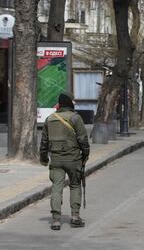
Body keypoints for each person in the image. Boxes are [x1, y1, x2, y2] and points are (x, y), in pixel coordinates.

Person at [39, 92, 90, 231]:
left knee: (56, 187)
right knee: (74, 186)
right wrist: (85, 156)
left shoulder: (50, 119)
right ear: (70, 103)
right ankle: (75, 216)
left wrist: (44, 158)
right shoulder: (75, 118)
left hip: (55, 159)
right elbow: (83, 140)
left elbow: (44, 142)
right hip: (73, 159)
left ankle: (56, 219)